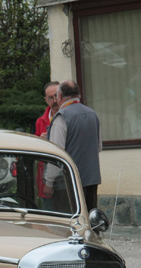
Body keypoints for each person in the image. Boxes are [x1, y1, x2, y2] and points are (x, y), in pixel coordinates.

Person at [46, 79, 102, 210]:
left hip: (68, 182)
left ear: (60, 96)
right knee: (89, 219)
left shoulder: (61, 117)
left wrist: (49, 182)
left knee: (69, 222)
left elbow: (56, 154)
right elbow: (98, 147)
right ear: (78, 95)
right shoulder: (93, 114)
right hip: (92, 179)